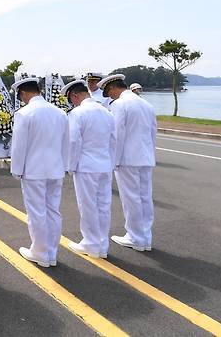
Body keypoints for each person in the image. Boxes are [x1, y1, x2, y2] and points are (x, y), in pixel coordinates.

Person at [10, 77, 68, 267]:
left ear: (24, 93)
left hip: (34, 170)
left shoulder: (24, 114)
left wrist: (16, 169)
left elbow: (19, 146)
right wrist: (64, 166)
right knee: (53, 210)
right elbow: (65, 143)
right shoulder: (60, 113)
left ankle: (40, 251)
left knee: (36, 212)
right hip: (56, 168)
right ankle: (51, 252)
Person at [98, 74, 157, 252]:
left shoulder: (119, 105)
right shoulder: (146, 104)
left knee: (130, 198)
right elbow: (153, 132)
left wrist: (113, 161)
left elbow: (117, 135)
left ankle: (135, 236)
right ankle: (145, 237)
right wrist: (150, 153)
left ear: (113, 88)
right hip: (145, 157)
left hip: (127, 159)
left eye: (109, 93)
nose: (111, 97)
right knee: (145, 197)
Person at [62, 79, 116, 258]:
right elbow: (113, 141)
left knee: (88, 206)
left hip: (86, 166)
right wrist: (111, 162)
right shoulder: (106, 111)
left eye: (71, 99)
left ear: (75, 95)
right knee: (103, 206)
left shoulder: (77, 113)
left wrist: (71, 165)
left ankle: (91, 243)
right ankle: (102, 245)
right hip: (105, 165)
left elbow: (73, 141)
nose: (72, 103)